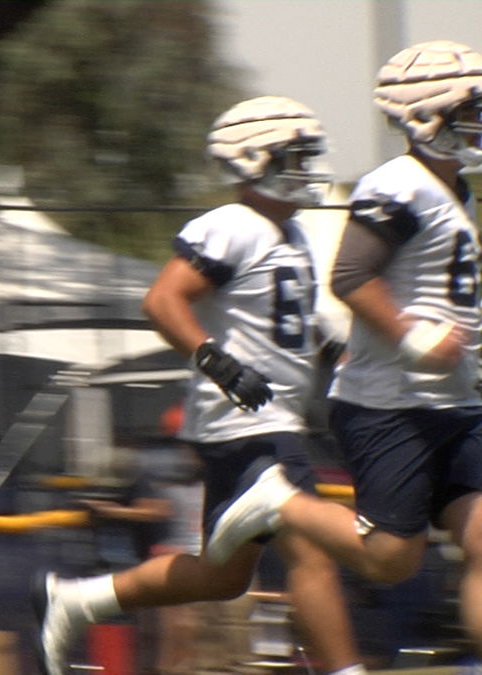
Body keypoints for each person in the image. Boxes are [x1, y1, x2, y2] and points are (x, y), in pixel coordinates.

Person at [32, 96, 367, 675]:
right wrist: (219, 364)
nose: (307, 165)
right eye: (294, 154)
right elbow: (162, 300)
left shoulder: (297, 233)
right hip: (248, 421)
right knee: (312, 556)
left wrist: (334, 352)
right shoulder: (231, 224)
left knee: (224, 578)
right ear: (252, 159)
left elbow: (283, 322)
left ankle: (79, 600)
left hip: (270, 418)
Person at [204, 40, 482, 656]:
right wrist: (415, 337)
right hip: (391, 406)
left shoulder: (453, 188)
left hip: (455, 403)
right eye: (472, 107)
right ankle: (276, 501)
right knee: (390, 561)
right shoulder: (398, 184)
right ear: (425, 113)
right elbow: (351, 277)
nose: (480, 121)